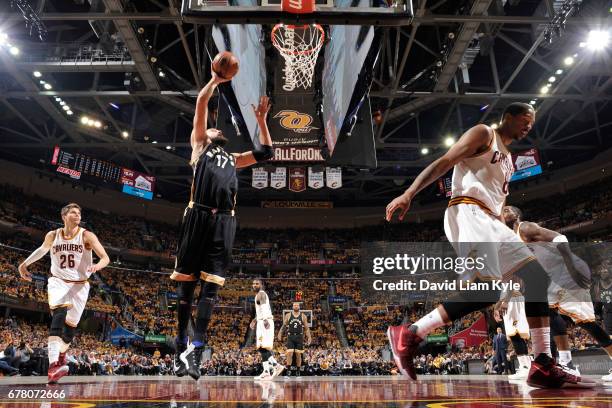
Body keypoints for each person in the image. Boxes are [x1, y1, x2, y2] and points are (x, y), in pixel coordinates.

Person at [385, 103, 594, 388]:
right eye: (525, 119)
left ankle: (543, 363)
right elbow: (445, 162)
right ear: (507, 116)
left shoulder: (508, 158)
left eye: (532, 122)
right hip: (468, 211)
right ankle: (410, 333)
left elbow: (498, 202)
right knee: (487, 290)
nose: (529, 126)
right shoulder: (484, 133)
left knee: (536, 277)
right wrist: (409, 193)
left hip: (492, 221)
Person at [170, 66, 274, 381]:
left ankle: (197, 352)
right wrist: (215, 81)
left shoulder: (233, 158)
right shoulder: (200, 145)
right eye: (214, 129)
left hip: (224, 222)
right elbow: (201, 105)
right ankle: (180, 349)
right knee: (187, 290)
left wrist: (261, 122)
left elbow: (266, 152)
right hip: (197, 215)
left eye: (217, 130)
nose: (216, 130)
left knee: (211, 291)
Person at [503, 205, 612, 381]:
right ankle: (567, 364)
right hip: (551, 280)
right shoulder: (512, 241)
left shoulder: (525, 227)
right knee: (550, 316)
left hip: (568, 274)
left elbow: (560, 237)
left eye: (508, 210)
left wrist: (572, 267)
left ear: (517, 215)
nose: (504, 212)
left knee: (586, 323)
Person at [18, 203, 110, 384]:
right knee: (58, 315)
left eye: (79, 213)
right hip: (58, 281)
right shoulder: (53, 235)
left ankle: (61, 357)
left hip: (80, 285)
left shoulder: (86, 235)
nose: (77, 215)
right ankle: (52, 366)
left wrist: (97, 266)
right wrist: (24, 264)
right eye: (73, 213)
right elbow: (42, 250)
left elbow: (105, 257)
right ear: (64, 216)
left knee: (69, 332)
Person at [250, 278, 284, 380]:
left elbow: (264, 307)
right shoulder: (258, 295)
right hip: (261, 321)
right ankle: (266, 371)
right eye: (253, 284)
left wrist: (264, 320)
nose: (254, 285)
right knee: (261, 347)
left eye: (257, 283)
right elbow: (260, 311)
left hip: (265, 321)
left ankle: (277, 366)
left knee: (264, 347)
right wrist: (255, 320)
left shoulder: (261, 294)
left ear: (261, 285)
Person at [277, 302, 312, 376]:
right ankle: (289, 370)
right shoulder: (288, 315)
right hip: (290, 336)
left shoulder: (303, 316)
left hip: (299, 337)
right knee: (289, 353)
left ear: (299, 307)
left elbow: (306, 328)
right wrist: (280, 333)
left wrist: (309, 337)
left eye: (297, 305)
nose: (296, 306)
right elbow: (283, 326)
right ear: (292, 307)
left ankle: (298, 370)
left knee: (298, 354)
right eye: (294, 305)